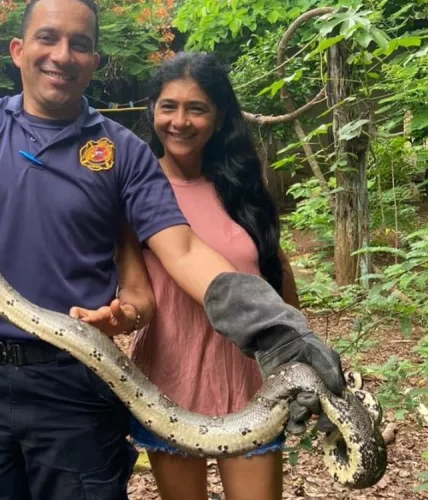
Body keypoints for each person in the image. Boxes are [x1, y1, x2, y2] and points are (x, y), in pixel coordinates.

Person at [0, 1, 346, 498]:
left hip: (80, 380)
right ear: (19, 51)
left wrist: (272, 326)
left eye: (79, 44)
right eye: (47, 38)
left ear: (93, 60)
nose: (62, 55)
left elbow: (182, 249)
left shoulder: (124, 151)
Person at [121, 51, 299, 500]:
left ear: (219, 118)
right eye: (169, 106)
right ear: (153, 112)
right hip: (169, 386)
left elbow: (275, 269)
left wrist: (300, 354)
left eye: (196, 108)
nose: (180, 121)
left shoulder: (239, 185)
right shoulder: (134, 189)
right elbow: (128, 286)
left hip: (249, 384)